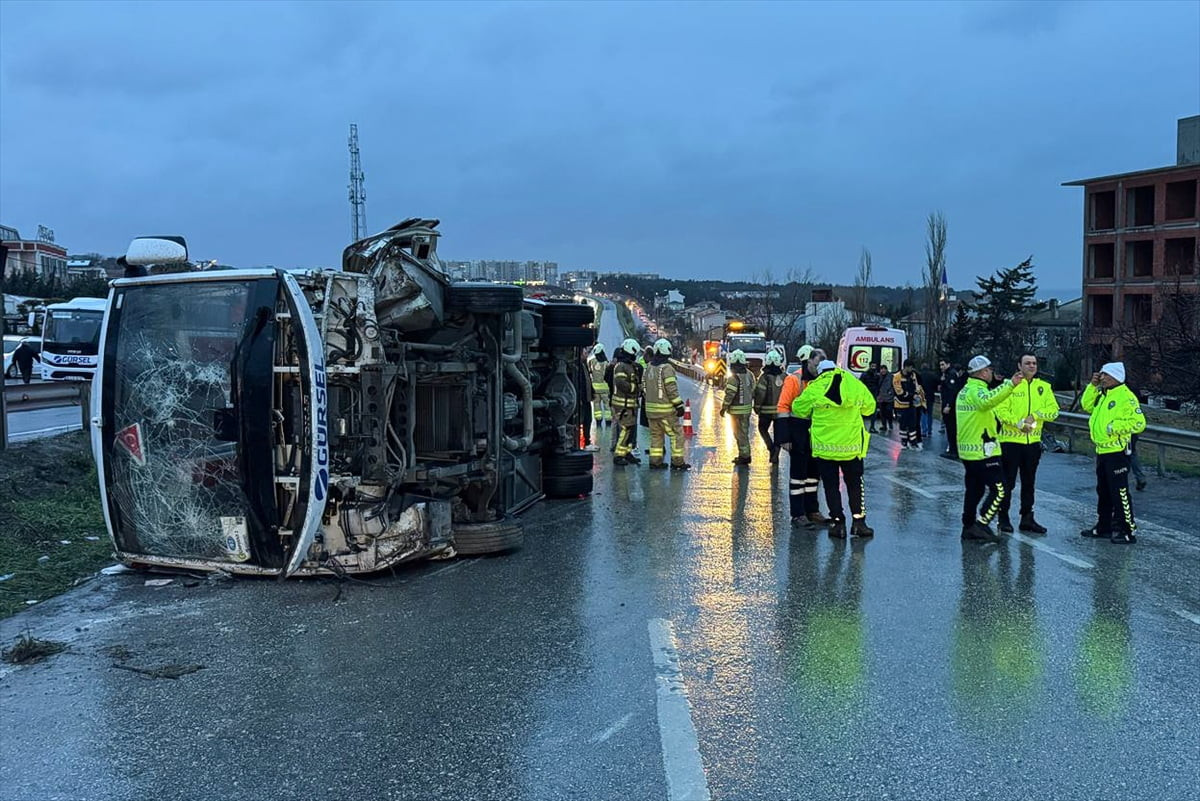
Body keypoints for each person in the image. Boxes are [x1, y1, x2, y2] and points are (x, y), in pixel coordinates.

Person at [793, 360, 877, 538]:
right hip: (851, 447)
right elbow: (870, 407)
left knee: (831, 487)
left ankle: (838, 524)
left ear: (820, 372)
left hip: (826, 449)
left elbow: (798, 409)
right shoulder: (854, 383)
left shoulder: (815, 387)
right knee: (855, 485)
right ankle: (859, 523)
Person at [957, 355, 1021, 542]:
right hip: (983, 451)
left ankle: (968, 525)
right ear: (983, 372)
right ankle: (981, 524)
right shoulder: (976, 391)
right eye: (990, 370)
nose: (992, 373)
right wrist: (1010, 385)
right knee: (1000, 490)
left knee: (975, 489)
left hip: (971, 450)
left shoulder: (967, 390)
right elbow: (987, 401)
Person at [1080, 362, 1145, 544]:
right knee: (1104, 491)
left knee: (1119, 492)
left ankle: (1127, 530)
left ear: (1116, 376)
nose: (1102, 378)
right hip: (1102, 450)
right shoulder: (1103, 395)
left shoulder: (1126, 397)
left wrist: (1113, 428)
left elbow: (1139, 422)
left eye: (1105, 375)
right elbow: (1086, 405)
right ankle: (1104, 526)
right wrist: (1092, 386)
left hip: (1117, 451)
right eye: (1101, 375)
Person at [995, 353, 1060, 534]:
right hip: (1010, 442)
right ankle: (1003, 517)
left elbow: (1054, 411)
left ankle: (1027, 518)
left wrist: (1036, 415)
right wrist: (1018, 423)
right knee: (1008, 482)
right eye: (1027, 363)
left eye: (1034, 363)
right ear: (1019, 365)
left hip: (1032, 443)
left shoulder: (1044, 387)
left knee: (1029, 482)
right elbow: (1000, 410)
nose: (1032, 366)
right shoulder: (1010, 385)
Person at [776, 345, 831, 526]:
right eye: (817, 364)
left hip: (818, 432)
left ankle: (812, 510)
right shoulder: (794, 380)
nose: (820, 368)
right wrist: (784, 438)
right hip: (798, 432)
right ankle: (798, 514)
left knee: (814, 475)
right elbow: (783, 407)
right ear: (809, 362)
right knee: (798, 475)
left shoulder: (824, 380)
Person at [643, 339, 691, 471]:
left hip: (650, 411)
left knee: (656, 436)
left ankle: (655, 462)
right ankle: (677, 462)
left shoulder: (648, 368)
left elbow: (644, 388)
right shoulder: (667, 368)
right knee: (677, 434)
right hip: (665, 411)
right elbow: (671, 389)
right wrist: (679, 405)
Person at [607, 338, 643, 466]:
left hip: (630, 404)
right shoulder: (621, 366)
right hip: (623, 405)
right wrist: (635, 388)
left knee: (630, 430)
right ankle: (618, 455)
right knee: (625, 430)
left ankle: (626, 453)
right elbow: (621, 383)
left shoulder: (629, 366)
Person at [721, 349, 755, 465]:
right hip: (747, 410)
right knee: (744, 433)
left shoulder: (733, 377)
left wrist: (724, 408)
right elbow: (753, 389)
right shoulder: (749, 374)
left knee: (739, 434)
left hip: (736, 411)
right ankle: (744, 454)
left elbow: (729, 395)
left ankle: (744, 456)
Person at [753, 348, 786, 464]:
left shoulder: (764, 377)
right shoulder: (784, 376)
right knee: (779, 434)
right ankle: (776, 452)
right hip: (782, 412)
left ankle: (771, 448)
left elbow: (760, 394)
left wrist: (757, 407)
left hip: (765, 412)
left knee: (762, 429)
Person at [892, 360, 926, 449]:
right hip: (901, 404)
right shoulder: (897, 377)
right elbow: (899, 392)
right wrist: (912, 395)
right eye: (911, 367)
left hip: (912, 404)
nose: (912, 369)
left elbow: (916, 386)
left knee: (913, 424)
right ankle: (904, 442)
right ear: (906, 367)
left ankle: (913, 442)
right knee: (903, 425)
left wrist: (917, 394)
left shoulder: (913, 375)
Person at [939, 360, 965, 460]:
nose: (941, 367)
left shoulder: (951, 374)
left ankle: (953, 451)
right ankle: (952, 450)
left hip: (949, 406)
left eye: (943, 364)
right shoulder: (946, 374)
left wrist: (949, 405)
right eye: (940, 365)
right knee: (949, 428)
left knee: (951, 428)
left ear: (948, 364)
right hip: (946, 404)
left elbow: (952, 391)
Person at [587, 343, 612, 429]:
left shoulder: (591, 361)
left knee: (596, 406)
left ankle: (598, 422)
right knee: (607, 406)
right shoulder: (606, 362)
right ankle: (608, 422)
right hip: (605, 389)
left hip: (595, 389)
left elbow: (589, 372)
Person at [919, 365, 940, 438]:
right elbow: (938, 384)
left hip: (923, 397)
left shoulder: (920, 375)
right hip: (931, 396)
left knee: (923, 413)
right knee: (930, 414)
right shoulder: (933, 375)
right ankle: (930, 431)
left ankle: (924, 431)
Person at [861, 362, 881, 433]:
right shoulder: (865, 375)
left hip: (873, 395)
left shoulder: (877, 375)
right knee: (863, 411)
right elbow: (861, 385)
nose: (873, 367)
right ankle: (862, 427)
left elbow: (878, 385)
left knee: (874, 412)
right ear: (869, 366)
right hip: (866, 395)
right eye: (872, 366)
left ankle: (872, 427)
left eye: (875, 366)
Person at [875, 365, 895, 433]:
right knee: (882, 412)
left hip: (889, 397)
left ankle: (890, 423)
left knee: (889, 411)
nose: (883, 370)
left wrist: (891, 393)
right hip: (881, 397)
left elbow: (894, 386)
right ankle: (884, 425)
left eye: (884, 369)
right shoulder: (878, 377)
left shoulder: (891, 376)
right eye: (881, 369)